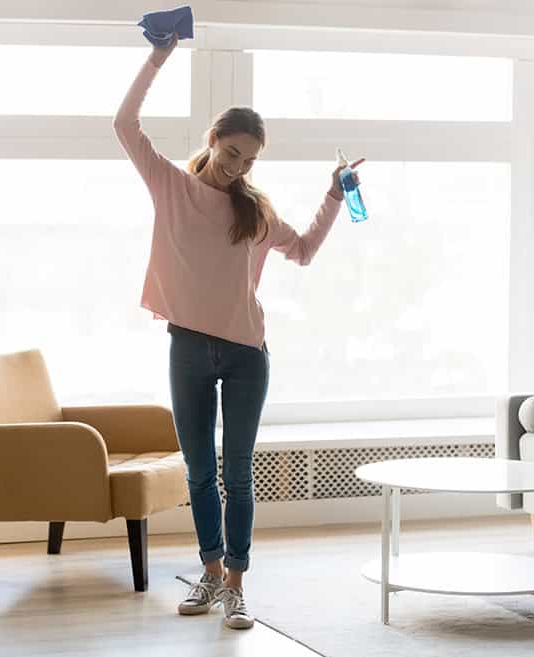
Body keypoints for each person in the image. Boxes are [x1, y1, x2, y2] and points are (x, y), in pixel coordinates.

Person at [113, 32, 363, 630]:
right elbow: (124, 123)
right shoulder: (171, 186)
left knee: (238, 472)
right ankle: (208, 571)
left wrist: (333, 193)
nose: (239, 166)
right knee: (199, 470)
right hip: (187, 349)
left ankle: (236, 584)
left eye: (250, 159)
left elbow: (301, 250)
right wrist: (159, 56)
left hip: (247, 352)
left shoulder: (254, 211)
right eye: (232, 153)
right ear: (213, 141)